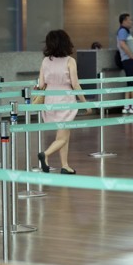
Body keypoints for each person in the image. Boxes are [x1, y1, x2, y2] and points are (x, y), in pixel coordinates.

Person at [37, 30, 92, 175]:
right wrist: (85, 103)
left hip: (50, 98)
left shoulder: (45, 61)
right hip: (65, 99)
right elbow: (75, 84)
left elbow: (41, 83)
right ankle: (45, 154)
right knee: (63, 136)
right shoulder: (70, 61)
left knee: (62, 135)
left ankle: (65, 165)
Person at [116, 13, 133, 115]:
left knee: (129, 84)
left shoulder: (125, 31)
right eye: (129, 20)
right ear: (124, 21)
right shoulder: (123, 31)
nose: (131, 22)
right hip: (130, 61)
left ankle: (127, 106)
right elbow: (122, 44)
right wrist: (131, 55)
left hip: (129, 60)